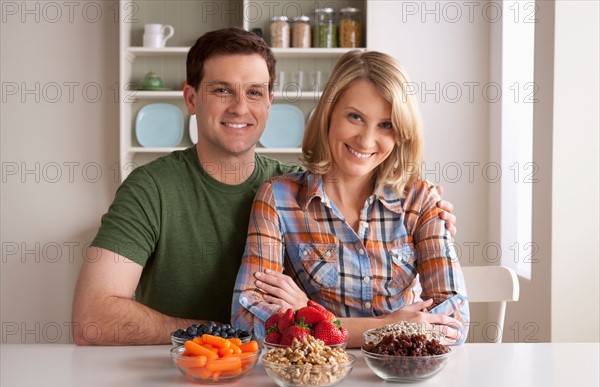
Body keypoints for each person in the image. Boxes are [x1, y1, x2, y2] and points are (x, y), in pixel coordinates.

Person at [72, 28, 457, 345]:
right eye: (222, 90)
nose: (241, 107)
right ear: (191, 98)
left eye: (254, 92)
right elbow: (93, 319)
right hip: (184, 368)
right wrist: (224, 335)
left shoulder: (295, 191)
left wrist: (427, 214)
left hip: (283, 367)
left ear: (270, 101)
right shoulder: (151, 187)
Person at [231, 50, 469, 348]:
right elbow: (246, 319)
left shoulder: (422, 200)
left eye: (386, 125)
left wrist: (310, 313)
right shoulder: (278, 198)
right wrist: (384, 327)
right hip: (314, 378)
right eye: (355, 117)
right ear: (329, 114)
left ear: (401, 133)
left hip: (402, 375)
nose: (366, 141)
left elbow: (454, 321)